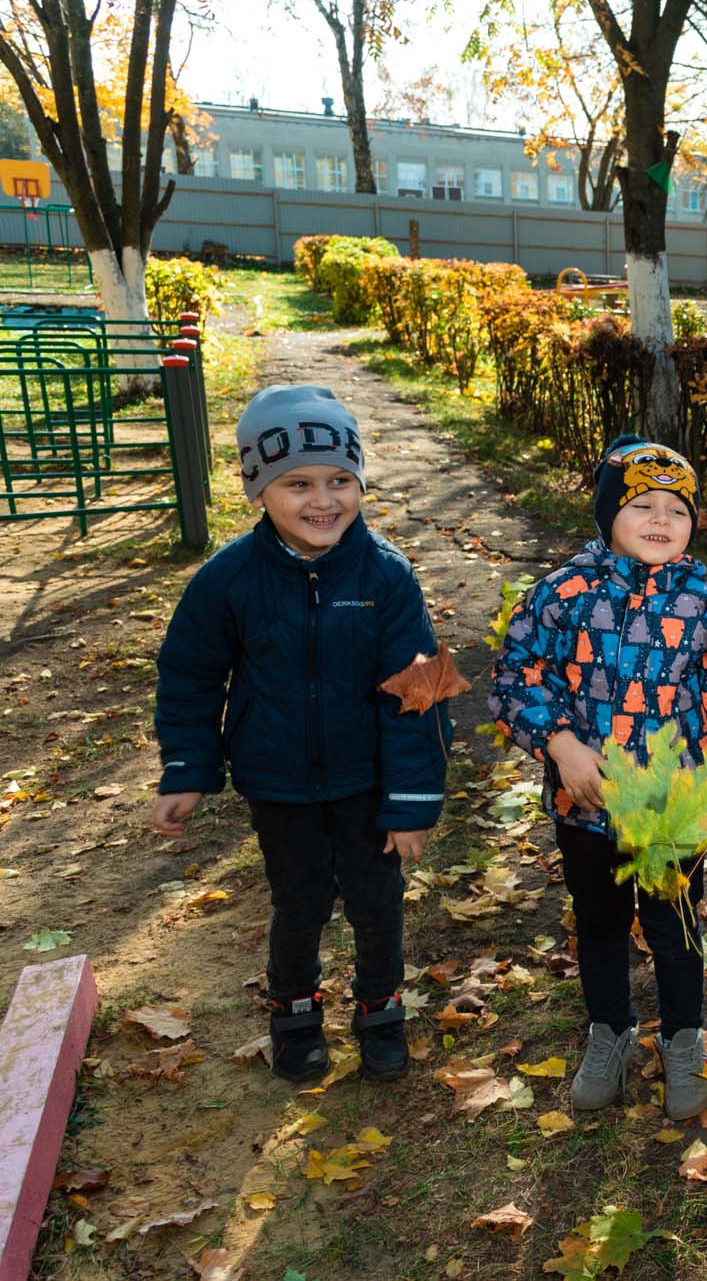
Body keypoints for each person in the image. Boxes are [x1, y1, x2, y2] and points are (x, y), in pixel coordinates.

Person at [152, 384, 450, 1085]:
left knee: (377, 900)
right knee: (301, 900)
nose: (324, 500)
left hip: (367, 781)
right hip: (278, 783)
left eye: (340, 480)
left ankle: (381, 1010)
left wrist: (410, 801)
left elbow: (421, 690)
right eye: (298, 484)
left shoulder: (387, 575)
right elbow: (190, 674)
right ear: (257, 488)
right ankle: (294, 1015)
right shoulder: (227, 580)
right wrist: (188, 767)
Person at [489, 438, 707, 1119]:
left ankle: (681, 1039)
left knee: (675, 927)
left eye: (676, 508)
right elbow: (514, 674)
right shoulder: (564, 592)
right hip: (586, 805)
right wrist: (560, 744)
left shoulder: (703, 599)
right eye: (641, 504)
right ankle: (610, 1030)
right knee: (600, 923)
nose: (659, 519)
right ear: (607, 512)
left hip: (675, 808)